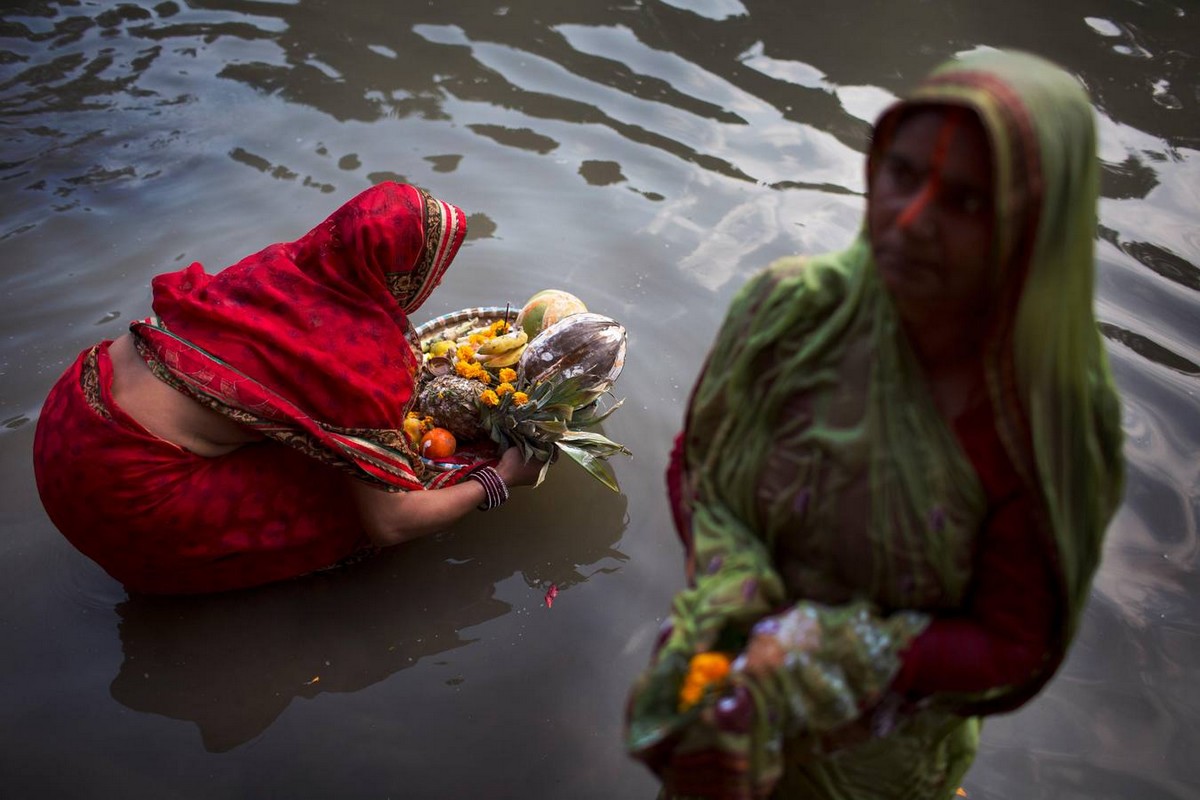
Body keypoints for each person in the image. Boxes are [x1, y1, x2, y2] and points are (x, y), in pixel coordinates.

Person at [625, 50, 1125, 798]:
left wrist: (846, 655)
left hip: (875, 763)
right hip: (721, 693)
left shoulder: (1042, 417)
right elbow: (696, 467)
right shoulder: (785, 313)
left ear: (1036, 228)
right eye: (901, 174)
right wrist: (728, 603)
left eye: (965, 202)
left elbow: (1017, 643)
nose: (913, 221)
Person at [33, 182, 545, 595]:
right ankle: (189, 566)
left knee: (334, 451)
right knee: (354, 497)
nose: (431, 286)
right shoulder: (362, 362)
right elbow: (391, 523)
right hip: (121, 498)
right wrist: (499, 479)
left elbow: (276, 362)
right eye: (431, 272)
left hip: (70, 413)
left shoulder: (280, 267)